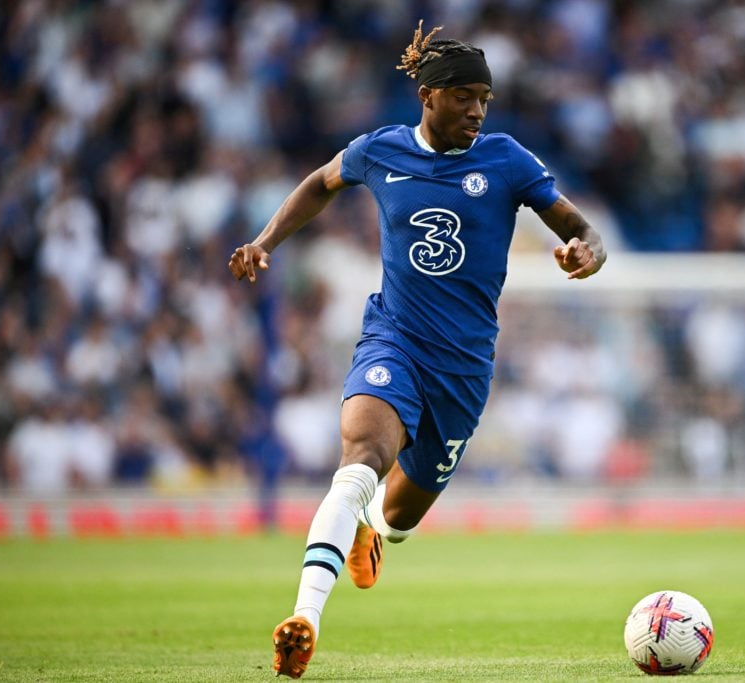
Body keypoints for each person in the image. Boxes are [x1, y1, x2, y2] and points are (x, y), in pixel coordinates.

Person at [229, 21, 606, 679]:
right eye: (465, 95)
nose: (478, 109)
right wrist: (267, 240)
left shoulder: (508, 161)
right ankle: (305, 617)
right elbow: (321, 183)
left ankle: (375, 531)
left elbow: (580, 226)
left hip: (463, 369)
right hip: (394, 339)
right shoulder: (381, 150)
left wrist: (585, 253)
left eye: (485, 97)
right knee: (360, 458)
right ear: (429, 94)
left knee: (399, 515)